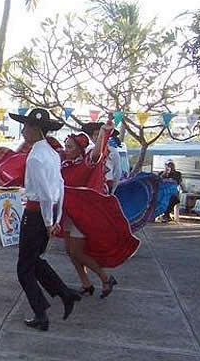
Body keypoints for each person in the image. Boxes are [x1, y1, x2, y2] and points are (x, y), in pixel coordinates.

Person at [8, 108, 81, 332]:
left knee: (24, 268)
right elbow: (59, 187)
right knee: (34, 260)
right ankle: (64, 293)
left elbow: (47, 194)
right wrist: (55, 218)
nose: (23, 131)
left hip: (36, 214)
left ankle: (42, 313)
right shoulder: (50, 153)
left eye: (26, 127)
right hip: (46, 213)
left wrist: (50, 222)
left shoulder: (36, 157)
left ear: (36, 129)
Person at [61, 125, 119, 298]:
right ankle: (86, 283)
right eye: (66, 146)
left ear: (80, 150)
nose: (66, 150)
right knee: (70, 251)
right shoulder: (65, 164)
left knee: (77, 251)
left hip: (82, 215)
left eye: (70, 147)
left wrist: (102, 133)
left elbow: (96, 154)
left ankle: (106, 277)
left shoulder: (85, 164)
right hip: (68, 214)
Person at [82, 122, 122, 193]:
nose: (98, 137)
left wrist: (112, 191)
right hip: (90, 187)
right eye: (95, 134)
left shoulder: (113, 151)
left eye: (100, 134)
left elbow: (117, 172)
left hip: (105, 186)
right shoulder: (88, 151)